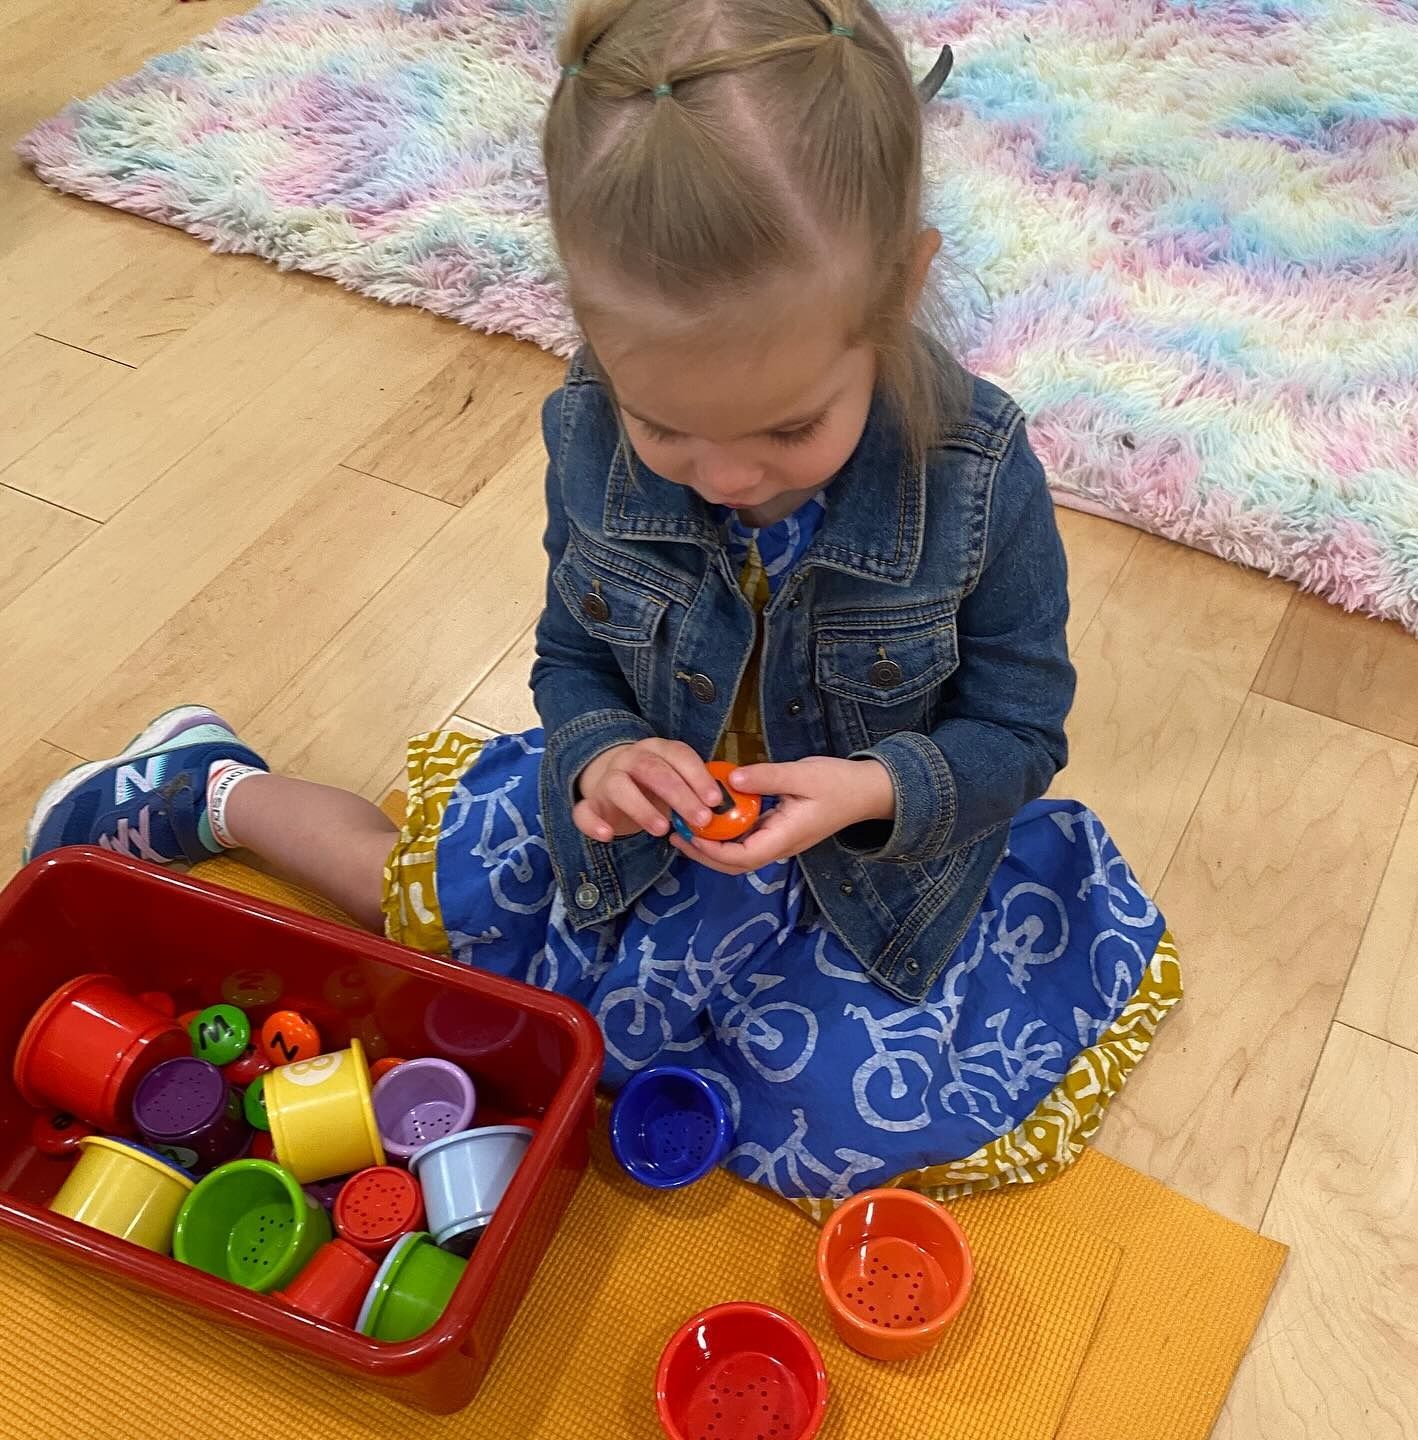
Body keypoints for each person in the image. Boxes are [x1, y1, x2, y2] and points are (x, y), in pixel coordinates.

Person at [25, 0, 1180, 1209]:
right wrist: (602, 751)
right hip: (625, 845)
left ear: (900, 293)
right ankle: (218, 788)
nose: (728, 479)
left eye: (791, 426)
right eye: (666, 425)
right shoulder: (587, 425)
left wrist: (873, 788)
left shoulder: (977, 472)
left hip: (866, 866)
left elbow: (1019, 727)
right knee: (430, 917)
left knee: (843, 1118)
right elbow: (573, 652)